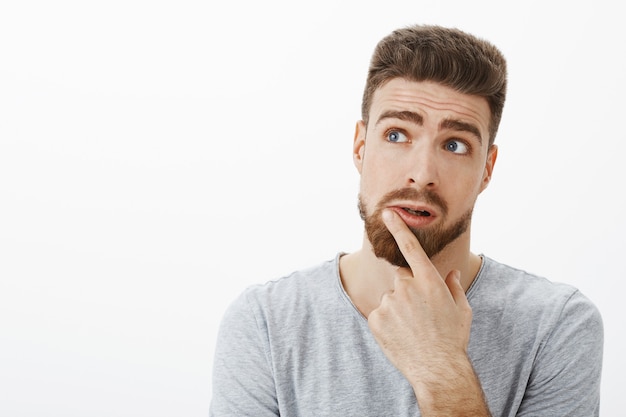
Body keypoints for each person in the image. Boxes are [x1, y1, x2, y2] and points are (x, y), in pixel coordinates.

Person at [209, 24, 603, 416]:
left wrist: (441, 368)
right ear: (361, 147)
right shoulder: (265, 323)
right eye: (397, 135)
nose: (421, 172)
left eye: (455, 145)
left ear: (487, 169)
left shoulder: (556, 325)